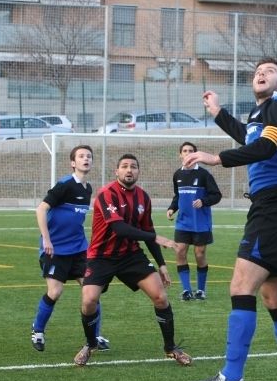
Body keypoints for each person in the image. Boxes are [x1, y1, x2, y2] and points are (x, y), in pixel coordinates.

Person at [182, 58, 277, 381]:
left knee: (242, 286)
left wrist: (216, 158)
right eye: (258, 70)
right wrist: (218, 113)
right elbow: (251, 137)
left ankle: (231, 377)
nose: (261, 72)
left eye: (270, 71)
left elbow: (266, 149)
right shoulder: (265, 116)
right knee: (275, 298)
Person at [74, 154, 191, 367]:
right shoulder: (105, 194)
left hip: (131, 256)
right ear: (116, 171)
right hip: (102, 256)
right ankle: (90, 343)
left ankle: (171, 348)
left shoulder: (143, 197)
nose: (129, 170)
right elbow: (120, 228)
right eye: (125, 167)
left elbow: (148, 230)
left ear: (138, 172)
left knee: (160, 297)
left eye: (134, 167)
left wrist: (162, 264)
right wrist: (154, 237)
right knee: (89, 300)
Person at [31, 145, 109, 352]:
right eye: (81, 156)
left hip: (79, 249)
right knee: (55, 291)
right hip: (55, 250)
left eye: (89, 156)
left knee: (92, 293)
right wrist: (46, 240)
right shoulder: (65, 184)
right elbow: (41, 208)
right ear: (73, 162)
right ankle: (37, 330)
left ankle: (95, 336)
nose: (86, 159)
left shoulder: (87, 188)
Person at [167, 141, 222, 301]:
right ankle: (186, 290)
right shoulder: (177, 174)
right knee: (180, 251)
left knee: (199, 255)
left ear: (196, 155)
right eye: (185, 151)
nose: (188, 153)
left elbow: (216, 195)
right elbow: (177, 196)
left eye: (191, 151)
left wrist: (203, 201)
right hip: (183, 222)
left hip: (201, 223)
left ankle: (201, 290)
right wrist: (172, 208)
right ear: (180, 154)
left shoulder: (204, 175)